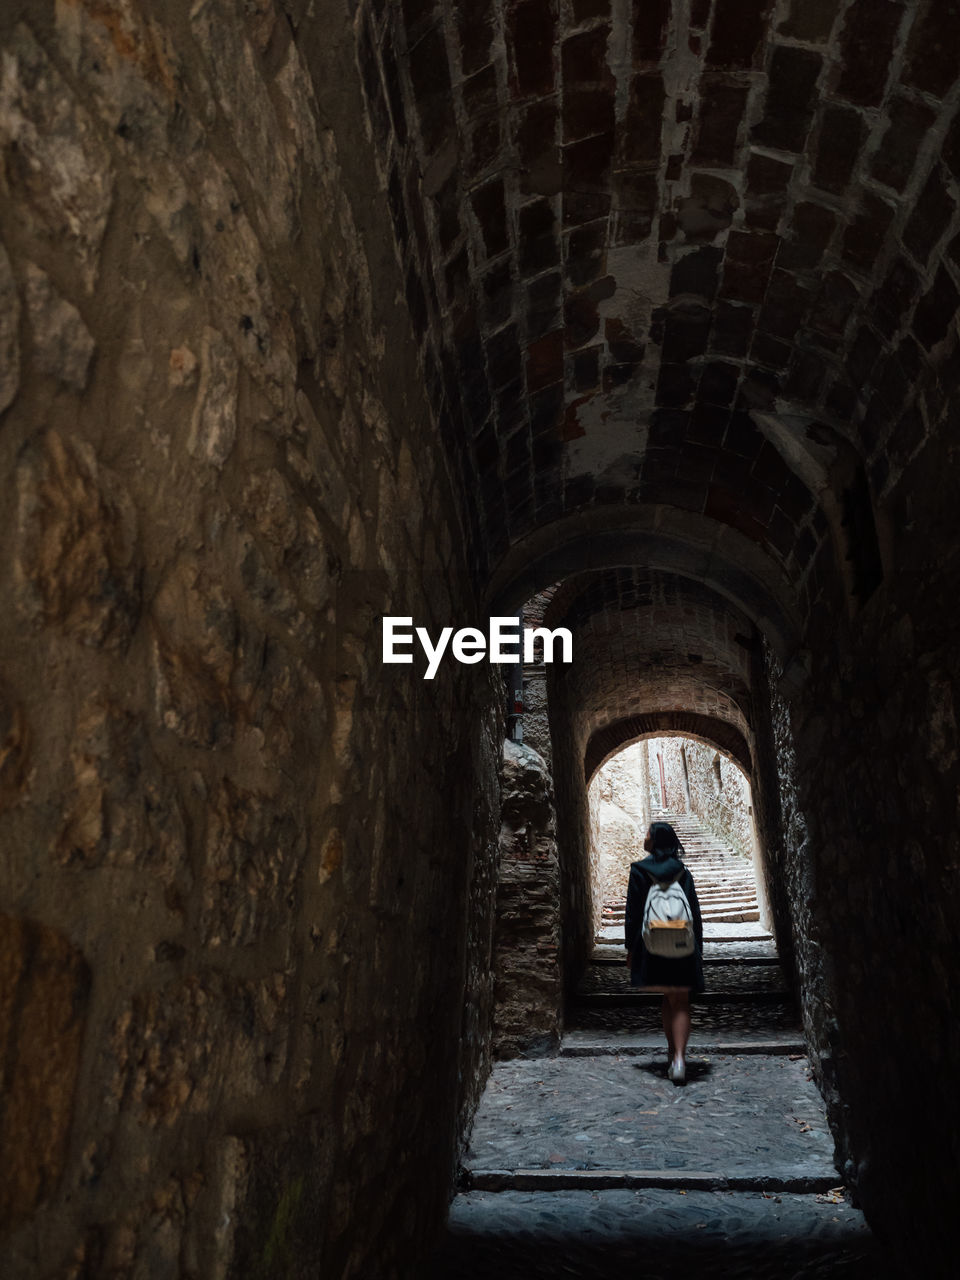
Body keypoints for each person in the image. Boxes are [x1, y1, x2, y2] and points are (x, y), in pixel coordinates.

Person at [625, 820, 704, 1084]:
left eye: (647, 833)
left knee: (667, 996)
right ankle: (679, 1058)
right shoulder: (682, 872)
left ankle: (673, 1054)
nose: (644, 836)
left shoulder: (639, 870)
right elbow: (694, 912)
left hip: (652, 945)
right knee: (680, 1000)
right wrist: (698, 949)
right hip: (682, 943)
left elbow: (634, 914)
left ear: (655, 839)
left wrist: (630, 949)